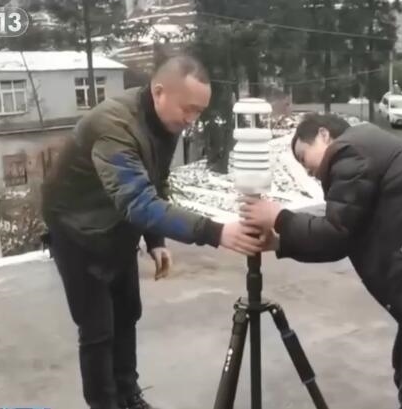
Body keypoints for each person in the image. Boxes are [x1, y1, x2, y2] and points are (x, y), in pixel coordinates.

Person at [41, 54, 265, 409]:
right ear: (159, 91)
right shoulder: (113, 126)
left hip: (118, 227)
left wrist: (155, 240)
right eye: (188, 109)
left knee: (127, 313)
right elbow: (138, 202)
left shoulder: (165, 123)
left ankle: (129, 396)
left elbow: (154, 179)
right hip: (77, 232)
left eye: (199, 112)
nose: (191, 120)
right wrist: (214, 232)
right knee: (98, 330)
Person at [241, 113, 402, 409]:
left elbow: (335, 233)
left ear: (324, 134)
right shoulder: (364, 153)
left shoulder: (350, 151)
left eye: (303, 156)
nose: (306, 169)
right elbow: (344, 238)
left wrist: (279, 217)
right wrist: (280, 242)